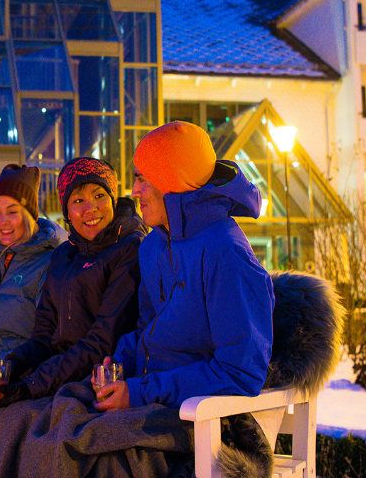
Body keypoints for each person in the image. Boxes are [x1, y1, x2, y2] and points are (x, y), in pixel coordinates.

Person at [96, 120, 274, 412]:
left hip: (199, 419)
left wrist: (140, 393)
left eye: (143, 179)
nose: (134, 191)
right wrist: (118, 364)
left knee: (77, 447)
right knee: (49, 423)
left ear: (172, 183)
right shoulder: (153, 245)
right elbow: (148, 330)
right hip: (149, 400)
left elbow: (241, 374)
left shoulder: (226, 252)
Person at [0, 156, 145, 410]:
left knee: (17, 424)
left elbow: (102, 341)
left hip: (102, 377)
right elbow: (44, 336)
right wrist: (13, 364)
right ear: (67, 211)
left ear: (113, 198)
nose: (90, 208)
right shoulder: (64, 256)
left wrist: (31, 386)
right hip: (59, 373)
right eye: (78, 201)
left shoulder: (128, 250)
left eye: (99, 195)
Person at [0, 164, 67, 361]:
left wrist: (10, 363)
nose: (3, 221)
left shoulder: (48, 264)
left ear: (29, 216)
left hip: (17, 368)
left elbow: (47, 339)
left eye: (12, 212)